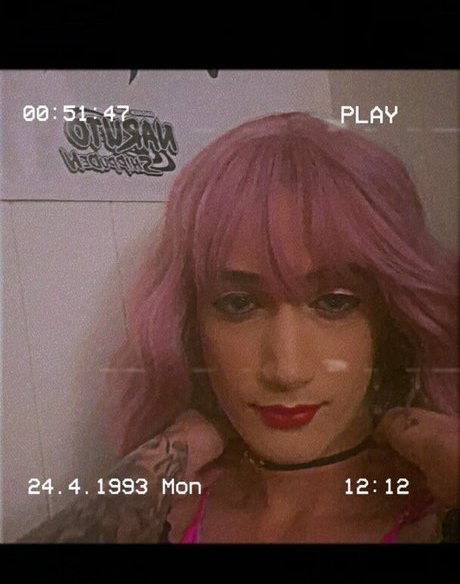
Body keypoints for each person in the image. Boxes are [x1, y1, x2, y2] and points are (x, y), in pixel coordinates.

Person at [19, 112, 459, 543]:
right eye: (238, 304)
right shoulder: (168, 513)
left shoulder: (434, 520)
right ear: (190, 325)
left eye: (334, 302)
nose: (286, 371)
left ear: (391, 320)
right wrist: (178, 446)